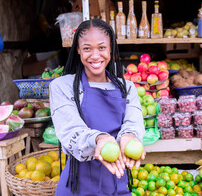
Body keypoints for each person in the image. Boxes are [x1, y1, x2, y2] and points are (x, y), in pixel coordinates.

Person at [50, 18, 145, 196]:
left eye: (101, 48)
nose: (95, 55)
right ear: (78, 50)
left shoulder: (127, 88)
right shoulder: (62, 86)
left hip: (117, 182)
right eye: (87, 48)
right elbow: (70, 130)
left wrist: (130, 136)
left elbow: (134, 122)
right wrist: (100, 139)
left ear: (111, 48)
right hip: (77, 186)